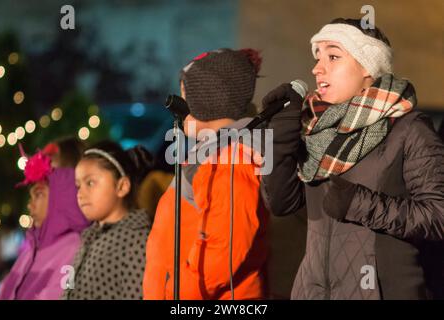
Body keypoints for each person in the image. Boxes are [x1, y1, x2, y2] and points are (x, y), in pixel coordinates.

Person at [261, 18, 444, 299]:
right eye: (318, 56)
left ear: (368, 68)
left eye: (333, 56)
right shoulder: (314, 129)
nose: (317, 68)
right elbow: (281, 203)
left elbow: (437, 217)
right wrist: (280, 136)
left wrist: (360, 203)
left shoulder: (409, 128)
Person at [143, 48, 269, 300]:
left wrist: (178, 294)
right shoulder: (212, 154)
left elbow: (224, 248)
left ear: (207, 98)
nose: (179, 106)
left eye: (184, 95)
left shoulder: (230, 158)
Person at [0, 147, 90, 300]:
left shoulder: (74, 248)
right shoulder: (32, 249)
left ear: (61, 198)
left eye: (38, 194)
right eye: (31, 196)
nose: (29, 205)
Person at [63, 141, 152, 300]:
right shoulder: (88, 238)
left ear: (122, 186)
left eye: (90, 183)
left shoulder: (137, 241)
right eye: (78, 186)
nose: (80, 193)